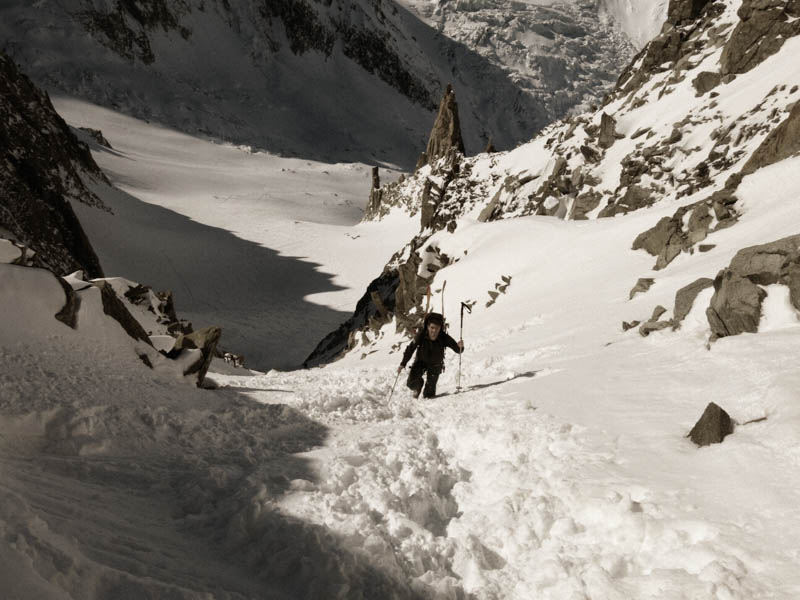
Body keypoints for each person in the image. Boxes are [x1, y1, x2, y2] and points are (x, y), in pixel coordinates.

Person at [398, 312, 464, 398]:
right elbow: (410, 348)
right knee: (411, 383)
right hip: (420, 362)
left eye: (437, 328)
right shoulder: (421, 334)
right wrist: (403, 364)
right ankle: (418, 386)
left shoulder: (444, 337)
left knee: (429, 396)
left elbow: (457, 349)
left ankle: (427, 395)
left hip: (435, 365)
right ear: (428, 326)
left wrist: (460, 347)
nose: (434, 331)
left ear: (440, 328)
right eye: (432, 328)